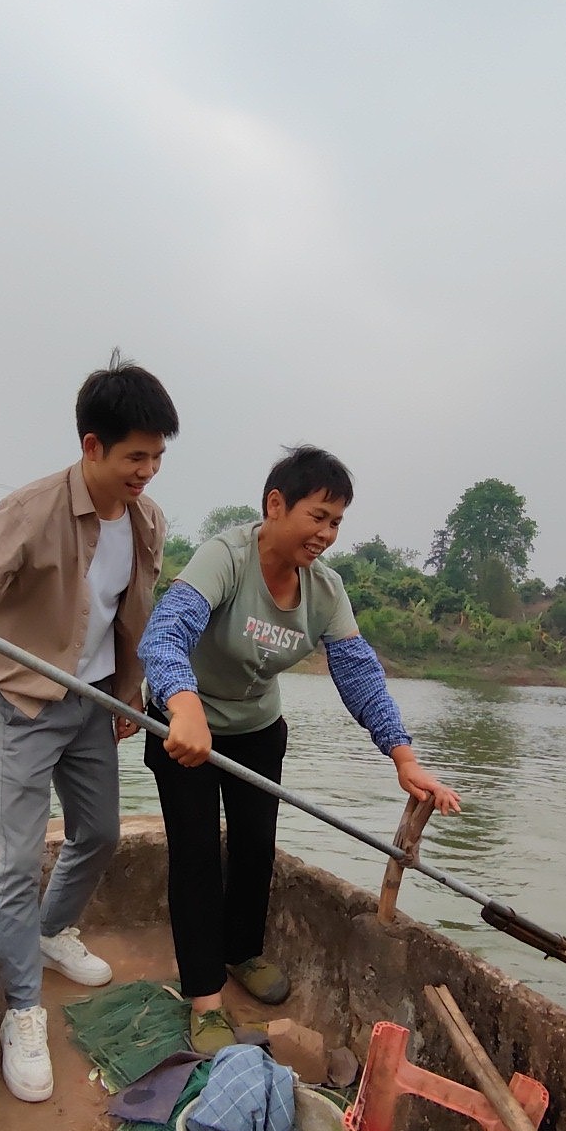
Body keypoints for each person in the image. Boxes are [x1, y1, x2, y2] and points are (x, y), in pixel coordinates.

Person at [0, 355, 178, 1103]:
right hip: (27, 701)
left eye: (157, 456)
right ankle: (21, 1010)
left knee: (99, 833)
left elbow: (135, 613)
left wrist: (129, 692)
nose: (147, 471)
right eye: (135, 456)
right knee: (21, 857)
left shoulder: (148, 520)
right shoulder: (32, 508)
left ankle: (54, 933)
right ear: (92, 446)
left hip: (94, 702)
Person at [138, 445, 460, 1055]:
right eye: (318, 516)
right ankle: (204, 997)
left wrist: (404, 755)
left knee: (257, 844)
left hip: (257, 727)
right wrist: (182, 705)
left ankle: (241, 952)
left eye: (337, 521)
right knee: (198, 852)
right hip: (186, 725)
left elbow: (358, 671)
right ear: (276, 505)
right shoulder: (225, 557)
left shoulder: (325, 589)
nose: (327, 534)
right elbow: (167, 630)